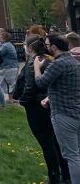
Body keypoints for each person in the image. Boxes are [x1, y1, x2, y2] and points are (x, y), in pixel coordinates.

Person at [17, 35, 70, 184]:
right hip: (49, 104)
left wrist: (23, 101)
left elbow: (30, 86)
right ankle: (66, 174)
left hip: (36, 106)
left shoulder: (32, 63)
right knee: (56, 141)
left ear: (30, 48)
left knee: (46, 143)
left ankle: (54, 176)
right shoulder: (48, 59)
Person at [35, 33, 80, 184]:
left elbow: (41, 83)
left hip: (63, 114)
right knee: (77, 153)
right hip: (76, 111)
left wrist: (37, 68)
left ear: (53, 47)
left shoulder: (58, 64)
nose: (46, 48)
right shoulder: (74, 62)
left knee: (72, 156)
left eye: (47, 45)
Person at [0, 31, 19, 103]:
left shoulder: (5, 46)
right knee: (11, 83)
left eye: (0, 36)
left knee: (8, 83)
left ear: (3, 38)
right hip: (13, 66)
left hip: (9, 67)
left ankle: (10, 99)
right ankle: (11, 99)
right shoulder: (9, 45)